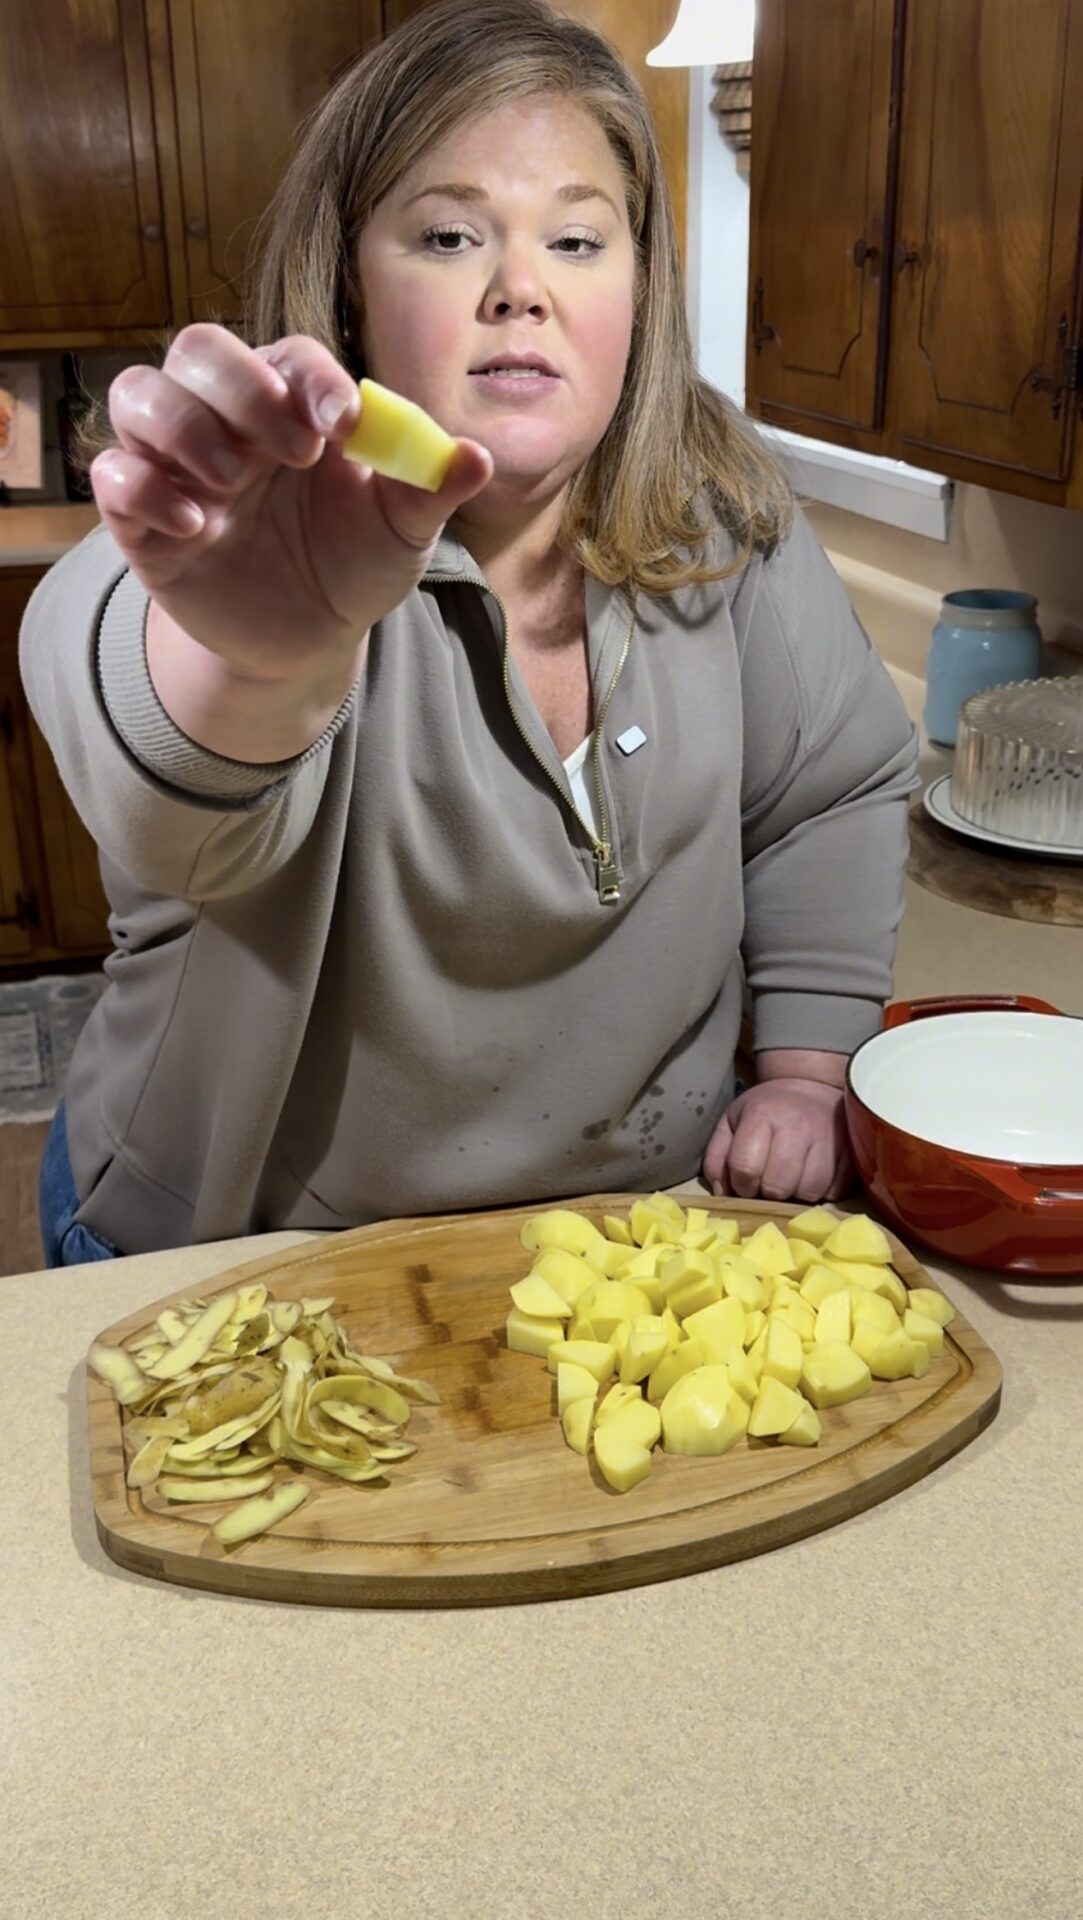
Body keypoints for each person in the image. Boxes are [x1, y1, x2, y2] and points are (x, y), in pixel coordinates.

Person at [21, 0, 918, 1268]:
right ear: (349, 280)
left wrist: (808, 1075)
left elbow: (831, 793)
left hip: (623, 1247)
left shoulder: (735, 521)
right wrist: (265, 662)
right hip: (247, 1256)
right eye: (448, 236)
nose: (522, 290)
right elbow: (162, 779)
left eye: (577, 238)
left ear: (641, 283)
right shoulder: (238, 537)